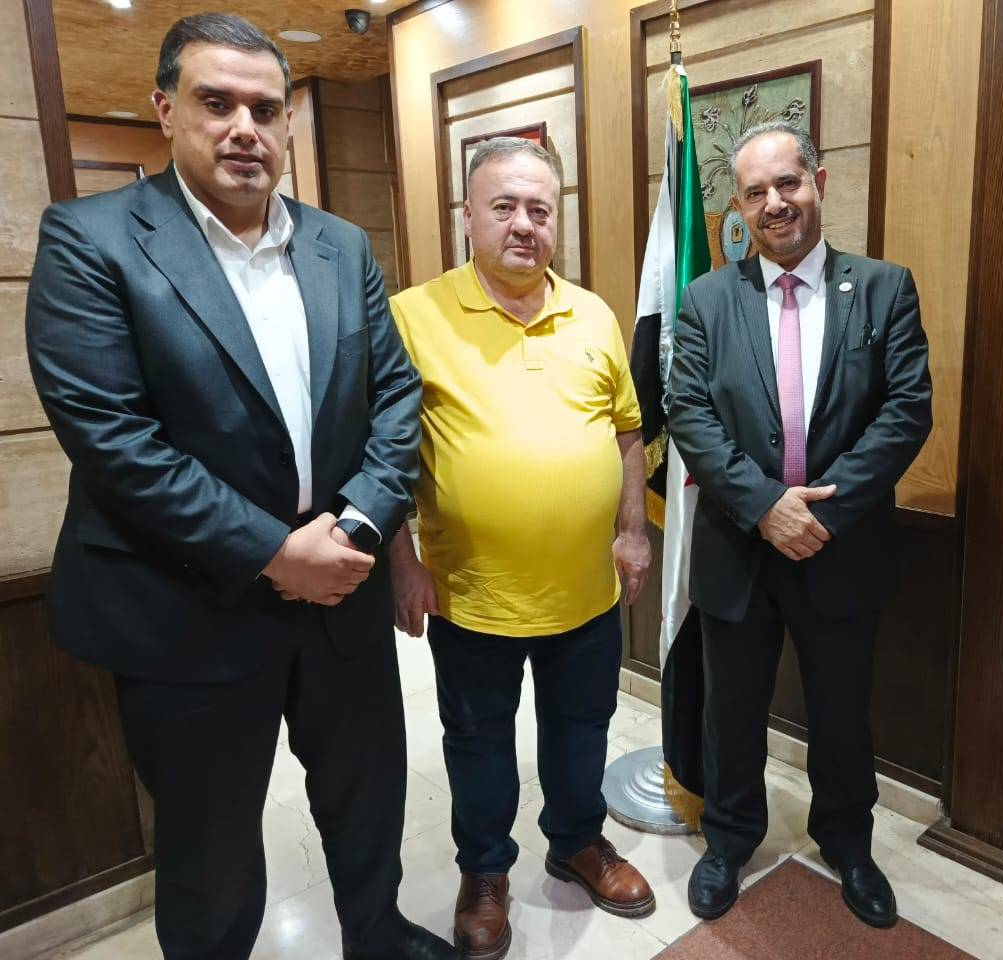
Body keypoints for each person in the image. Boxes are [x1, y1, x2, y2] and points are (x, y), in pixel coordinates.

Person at [25, 14, 456, 960]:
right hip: (186, 604)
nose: (243, 129)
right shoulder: (92, 241)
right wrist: (271, 552)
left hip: (339, 581)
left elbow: (395, 396)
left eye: (265, 109)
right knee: (210, 849)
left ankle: (378, 936)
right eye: (216, 103)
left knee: (367, 795)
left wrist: (357, 525)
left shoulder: (341, 245)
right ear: (165, 108)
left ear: (288, 122)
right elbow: (113, 439)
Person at [388, 137, 655, 960]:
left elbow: (627, 430)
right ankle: (485, 871)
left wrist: (633, 529)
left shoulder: (594, 313)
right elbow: (380, 451)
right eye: (503, 206)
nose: (524, 224)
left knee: (582, 728)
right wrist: (401, 561)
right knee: (479, 742)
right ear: (467, 215)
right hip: (473, 594)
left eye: (540, 208)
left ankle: (576, 841)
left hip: (586, 590)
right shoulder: (413, 315)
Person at [667, 122, 933, 929]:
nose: (774, 203)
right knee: (731, 713)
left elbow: (906, 411)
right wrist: (764, 507)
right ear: (739, 207)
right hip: (738, 547)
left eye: (788, 183)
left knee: (843, 712)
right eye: (755, 192)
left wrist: (823, 511)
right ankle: (728, 841)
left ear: (819, 181)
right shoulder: (708, 299)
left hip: (838, 547)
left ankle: (849, 844)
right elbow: (689, 413)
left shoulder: (883, 288)